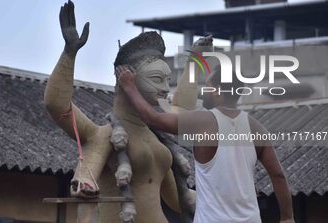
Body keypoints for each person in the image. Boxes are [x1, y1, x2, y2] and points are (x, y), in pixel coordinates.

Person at [44, 0, 198, 222]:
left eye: (167, 80)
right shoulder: (103, 136)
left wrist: (222, 195)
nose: (165, 88)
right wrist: (69, 52)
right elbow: (57, 106)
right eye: (157, 79)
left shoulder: (158, 142)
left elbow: (177, 199)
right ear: (126, 79)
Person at [116, 64, 295, 223]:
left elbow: (153, 119)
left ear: (217, 91)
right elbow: (278, 175)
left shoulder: (203, 121)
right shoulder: (257, 128)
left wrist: (130, 86)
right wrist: (288, 217)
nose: (204, 91)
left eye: (207, 87)